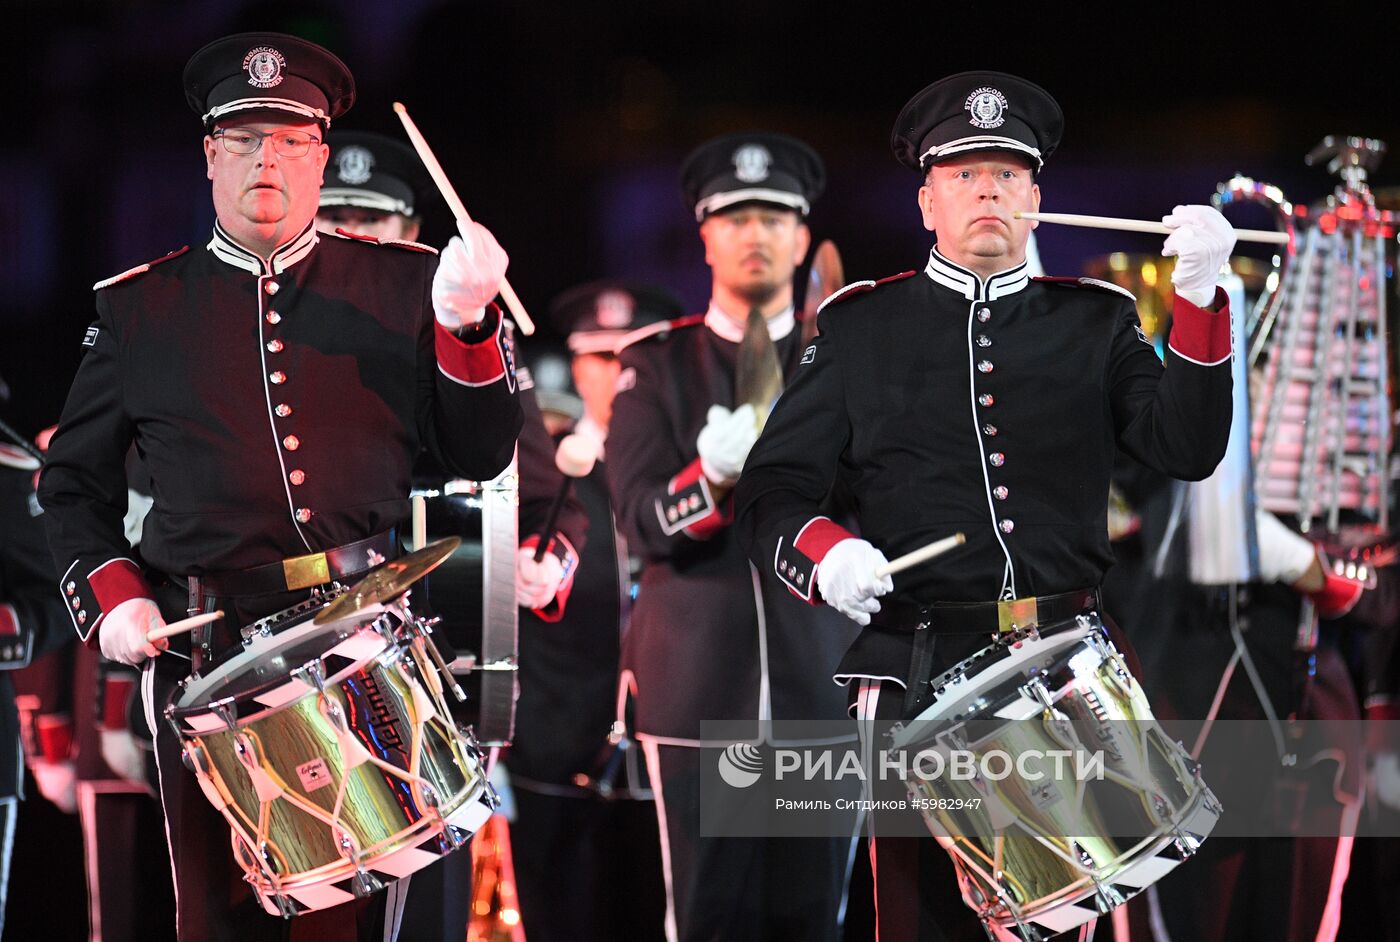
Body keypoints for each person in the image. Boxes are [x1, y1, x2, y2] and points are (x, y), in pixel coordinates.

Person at [37, 31, 522, 942]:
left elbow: (480, 453)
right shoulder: (140, 309)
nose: (268, 159)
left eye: (291, 141)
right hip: (200, 646)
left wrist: (466, 326)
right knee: (212, 921)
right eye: (247, 140)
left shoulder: (400, 284)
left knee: (351, 920)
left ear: (320, 158)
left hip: (357, 633)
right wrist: (112, 601)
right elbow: (71, 487)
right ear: (211, 157)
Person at [733, 71, 1237, 940]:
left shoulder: (1097, 324)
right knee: (922, 923)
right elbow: (770, 494)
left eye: (1008, 172)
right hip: (917, 672)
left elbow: (1185, 451)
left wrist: (1198, 303)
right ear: (928, 199)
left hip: (1062, 666)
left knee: (1062, 919)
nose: (989, 187)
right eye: (965, 172)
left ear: (1038, 199)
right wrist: (828, 553)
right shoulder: (862, 328)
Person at [312, 126, 589, 942]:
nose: (356, 237)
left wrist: (547, 560)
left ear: (414, 237)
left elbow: (543, 497)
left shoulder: (468, 329)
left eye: (378, 222)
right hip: (301, 661)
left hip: (444, 667)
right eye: (338, 218)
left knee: (429, 910)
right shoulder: (279, 336)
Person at [606, 132, 861, 942]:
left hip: (821, 681)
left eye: (775, 217)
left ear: (801, 235)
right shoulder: (656, 364)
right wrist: (706, 481)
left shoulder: (850, 360)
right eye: (736, 216)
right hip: (695, 691)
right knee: (709, 918)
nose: (756, 234)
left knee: (812, 918)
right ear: (706, 233)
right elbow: (639, 518)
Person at [504, 280, 682, 942]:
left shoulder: (694, 472)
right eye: (598, 358)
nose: (616, 373)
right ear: (577, 366)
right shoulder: (548, 468)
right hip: (557, 755)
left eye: (628, 356)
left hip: (670, 760)